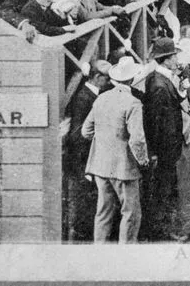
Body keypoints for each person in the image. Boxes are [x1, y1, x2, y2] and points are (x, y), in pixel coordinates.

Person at [82, 56, 150, 243]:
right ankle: (125, 255)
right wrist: (143, 160)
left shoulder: (101, 98)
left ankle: (100, 250)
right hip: (124, 168)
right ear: (132, 79)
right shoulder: (133, 103)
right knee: (130, 213)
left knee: (103, 212)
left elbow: (85, 131)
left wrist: (104, 140)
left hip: (100, 165)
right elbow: (137, 140)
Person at [140, 38, 184, 241]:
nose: (177, 59)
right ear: (166, 59)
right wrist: (155, 151)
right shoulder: (159, 84)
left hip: (166, 148)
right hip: (164, 149)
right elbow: (155, 122)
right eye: (174, 56)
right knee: (161, 192)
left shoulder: (160, 79)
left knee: (163, 191)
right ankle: (160, 234)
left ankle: (162, 231)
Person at [64, 59, 112, 242]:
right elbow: (78, 135)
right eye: (106, 79)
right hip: (83, 162)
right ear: (98, 77)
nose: (109, 83)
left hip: (87, 160)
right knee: (83, 204)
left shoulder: (90, 94)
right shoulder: (84, 99)